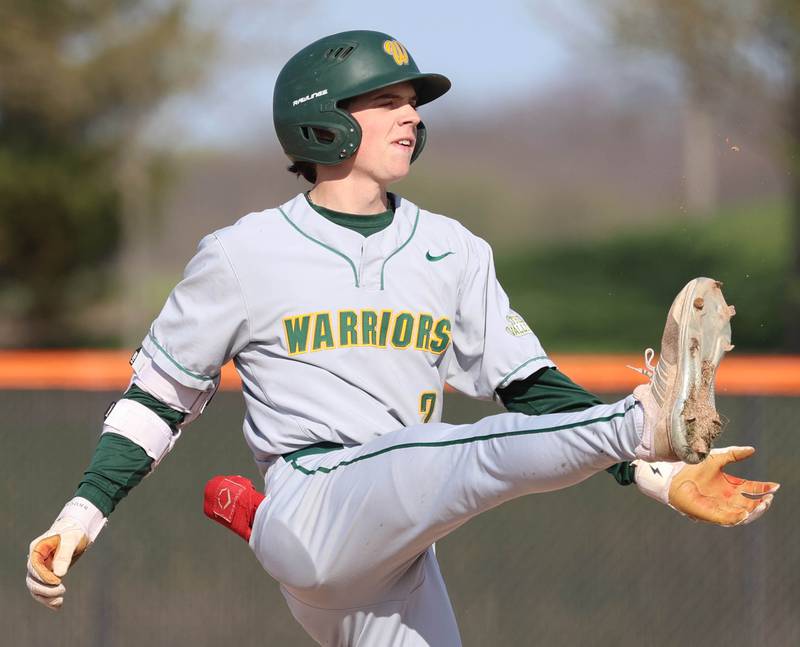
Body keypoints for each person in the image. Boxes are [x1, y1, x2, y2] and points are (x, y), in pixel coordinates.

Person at [26, 30, 779, 646]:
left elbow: (533, 388)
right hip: (314, 502)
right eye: (385, 100)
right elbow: (158, 399)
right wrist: (79, 515)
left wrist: (660, 480)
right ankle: (646, 418)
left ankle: (242, 511)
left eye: (413, 102)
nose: (410, 116)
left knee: (446, 455)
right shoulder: (241, 253)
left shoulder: (454, 249)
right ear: (321, 118)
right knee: (464, 452)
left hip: (397, 554)